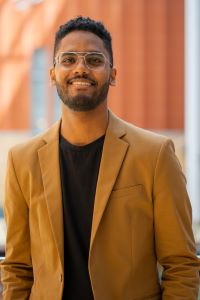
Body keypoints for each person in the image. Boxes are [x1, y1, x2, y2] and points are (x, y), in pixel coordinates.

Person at [0, 16, 199, 300]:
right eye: (68, 59)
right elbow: (18, 268)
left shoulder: (155, 155)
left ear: (113, 74)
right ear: (53, 73)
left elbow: (181, 265)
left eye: (94, 60)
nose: (81, 68)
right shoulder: (22, 161)